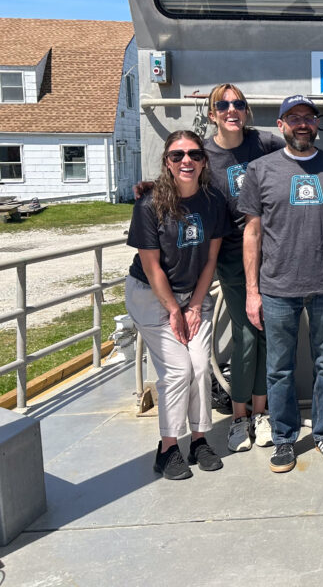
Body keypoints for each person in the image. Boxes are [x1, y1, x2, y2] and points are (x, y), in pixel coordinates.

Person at [238, 95, 323, 474]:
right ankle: (284, 438)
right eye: (294, 118)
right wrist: (252, 291)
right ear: (281, 125)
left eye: (309, 117)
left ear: (318, 123)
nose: (302, 123)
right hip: (276, 288)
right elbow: (252, 232)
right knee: (279, 368)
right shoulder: (260, 170)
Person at [125, 130, 229, 480]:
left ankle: (198, 439)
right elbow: (152, 266)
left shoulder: (213, 201)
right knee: (177, 371)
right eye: (177, 155)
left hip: (193, 295)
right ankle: (168, 448)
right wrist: (174, 309)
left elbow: (211, 257)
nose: (187, 161)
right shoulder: (149, 205)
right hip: (152, 295)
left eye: (195, 154)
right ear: (167, 162)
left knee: (200, 366)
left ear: (204, 160)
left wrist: (195, 306)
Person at [200, 83, 285, 453]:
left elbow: (300, 157)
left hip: (273, 253)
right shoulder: (204, 154)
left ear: (247, 111)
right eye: (223, 105)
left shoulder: (264, 143)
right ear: (212, 113)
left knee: (266, 334)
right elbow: (178, 182)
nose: (231, 110)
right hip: (233, 257)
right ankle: (239, 417)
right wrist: (147, 189)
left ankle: (261, 414)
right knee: (247, 335)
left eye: (238, 104)